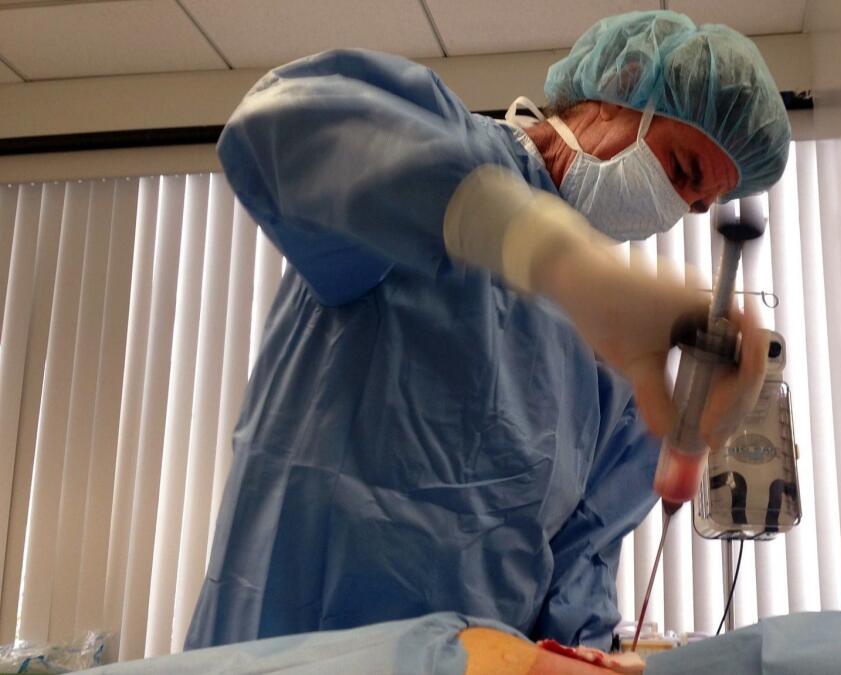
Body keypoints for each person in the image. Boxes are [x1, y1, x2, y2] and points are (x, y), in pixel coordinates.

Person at [185, 10, 792, 650]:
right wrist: (557, 260)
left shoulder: (609, 355)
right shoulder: (452, 158)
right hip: (295, 649)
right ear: (622, 91)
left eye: (695, 206)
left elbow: (576, 566)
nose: (675, 209)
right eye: (683, 171)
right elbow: (279, 129)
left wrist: (587, 655)